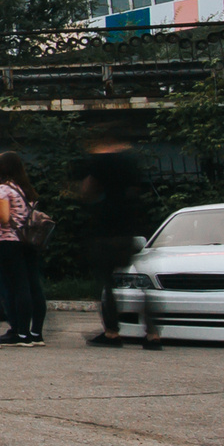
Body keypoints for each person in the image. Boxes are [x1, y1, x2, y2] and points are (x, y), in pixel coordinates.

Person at [70, 128, 158, 348]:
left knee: (107, 281)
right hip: (129, 224)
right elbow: (137, 189)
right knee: (142, 283)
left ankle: (111, 332)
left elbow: (88, 189)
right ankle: (152, 333)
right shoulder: (130, 160)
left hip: (106, 226)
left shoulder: (99, 162)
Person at [0, 149, 45, 345]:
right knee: (33, 285)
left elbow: (3, 217)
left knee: (16, 287)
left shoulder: (3, 190)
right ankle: (36, 333)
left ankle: (21, 333)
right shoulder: (25, 189)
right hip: (27, 241)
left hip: (8, 241)